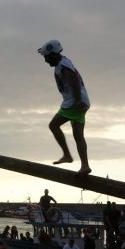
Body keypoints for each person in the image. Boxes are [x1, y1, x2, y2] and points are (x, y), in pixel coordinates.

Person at [38, 39, 91, 175]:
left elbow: (73, 79)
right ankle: (85, 166)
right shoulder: (64, 63)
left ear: (55, 54)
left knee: (53, 125)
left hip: (74, 102)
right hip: (82, 102)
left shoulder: (63, 64)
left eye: (47, 57)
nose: (45, 60)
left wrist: (78, 99)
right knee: (78, 135)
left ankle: (67, 155)